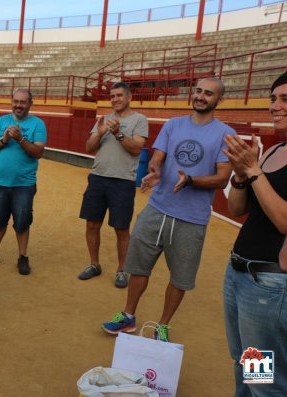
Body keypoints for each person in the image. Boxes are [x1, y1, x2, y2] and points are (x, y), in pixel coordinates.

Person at [101, 78, 235, 342]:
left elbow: (222, 178)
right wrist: (155, 171)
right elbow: (158, 157)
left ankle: (163, 325)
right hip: (157, 208)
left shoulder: (225, 134)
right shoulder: (173, 124)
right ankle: (128, 315)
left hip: (192, 218)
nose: (200, 96)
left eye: (208, 93)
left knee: (180, 277)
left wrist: (191, 181)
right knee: (138, 266)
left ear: (219, 100)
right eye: (198, 91)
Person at [223, 71, 287, 396]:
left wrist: (253, 170)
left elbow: (284, 221)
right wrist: (239, 176)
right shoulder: (275, 151)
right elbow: (237, 209)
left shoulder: (265, 160)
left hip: (268, 283)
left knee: (266, 381)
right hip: (239, 273)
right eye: (273, 99)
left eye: (285, 99)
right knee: (245, 363)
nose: (275, 106)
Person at [77, 82, 149, 288]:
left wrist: (117, 133)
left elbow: (137, 149)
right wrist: (100, 133)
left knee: (121, 228)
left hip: (123, 181)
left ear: (128, 98)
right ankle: (94, 264)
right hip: (98, 177)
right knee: (92, 224)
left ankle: (121, 270)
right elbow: (89, 147)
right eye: (112, 96)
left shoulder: (139, 119)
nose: (115, 99)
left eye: (119, 95)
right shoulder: (105, 119)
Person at [0, 89, 47, 276]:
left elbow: (38, 152)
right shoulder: (2, 121)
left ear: (30, 104)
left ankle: (23, 257)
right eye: (16, 101)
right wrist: (4, 139)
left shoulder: (38, 124)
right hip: (0, 181)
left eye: (23, 102)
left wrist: (21, 139)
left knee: (22, 221)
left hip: (24, 183)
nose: (18, 105)